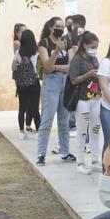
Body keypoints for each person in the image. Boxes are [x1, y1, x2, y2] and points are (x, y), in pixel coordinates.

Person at [36, 17, 75, 165]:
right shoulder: (44, 43)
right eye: (58, 26)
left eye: (63, 26)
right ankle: (41, 154)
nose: (61, 29)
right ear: (51, 27)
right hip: (51, 84)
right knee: (47, 119)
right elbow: (46, 67)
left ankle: (65, 152)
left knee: (64, 120)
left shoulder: (67, 42)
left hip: (65, 82)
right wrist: (56, 52)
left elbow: (71, 67)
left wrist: (56, 67)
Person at [68, 31, 103, 173]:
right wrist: (87, 75)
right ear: (85, 45)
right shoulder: (77, 59)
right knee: (82, 131)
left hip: (96, 98)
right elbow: (73, 79)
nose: (95, 49)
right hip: (82, 99)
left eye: (96, 47)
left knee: (95, 130)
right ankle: (80, 163)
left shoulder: (94, 59)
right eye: (93, 46)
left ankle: (95, 160)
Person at [14, 29, 41, 138]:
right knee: (35, 107)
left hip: (21, 84)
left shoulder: (18, 53)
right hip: (34, 82)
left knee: (22, 107)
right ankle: (39, 131)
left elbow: (13, 67)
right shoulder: (36, 52)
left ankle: (21, 131)